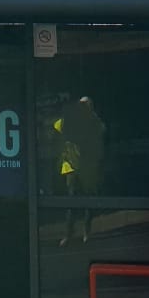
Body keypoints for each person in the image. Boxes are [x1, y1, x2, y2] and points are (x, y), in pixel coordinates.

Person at [53, 95, 106, 244]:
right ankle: (68, 234)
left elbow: (102, 129)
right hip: (71, 166)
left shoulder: (94, 122)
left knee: (88, 199)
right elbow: (57, 125)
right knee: (71, 199)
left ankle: (86, 232)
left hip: (87, 167)